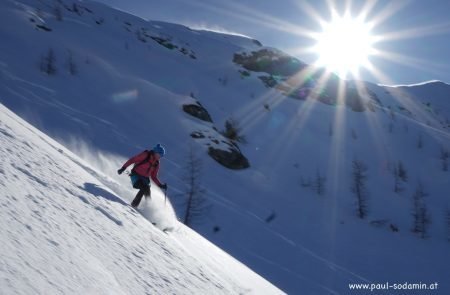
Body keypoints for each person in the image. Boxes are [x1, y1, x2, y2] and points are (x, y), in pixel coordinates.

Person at [117, 144, 168, 208]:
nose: (160, 157)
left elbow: (153, 176)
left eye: (161, 155)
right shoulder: (145, 155)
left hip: (145, 179)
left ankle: (148, 209)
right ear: (155, 152)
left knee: (148, 193)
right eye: (159, 154)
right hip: (136, 175)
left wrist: (161, 185)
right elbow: (132, 160)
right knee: (143, 188)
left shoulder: (156, 163)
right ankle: (134, 205)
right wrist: (123, 168)